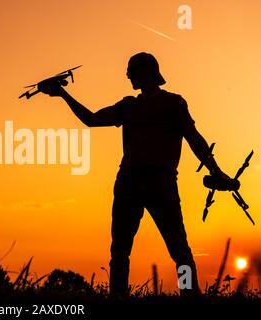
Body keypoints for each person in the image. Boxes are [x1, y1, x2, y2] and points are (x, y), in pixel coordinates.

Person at [39, 52, 230, 296]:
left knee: (177, 249)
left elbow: (194, 139)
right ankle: (123, 296)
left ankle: (189, 294)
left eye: (131, 70)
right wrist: (63, 94)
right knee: (123, 250)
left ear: (146, 72)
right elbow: (92, 120)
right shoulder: (129, 106)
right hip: (131, 182)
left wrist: (215, 170)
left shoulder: (173, 104)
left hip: (158, 183)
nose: (127, 75)